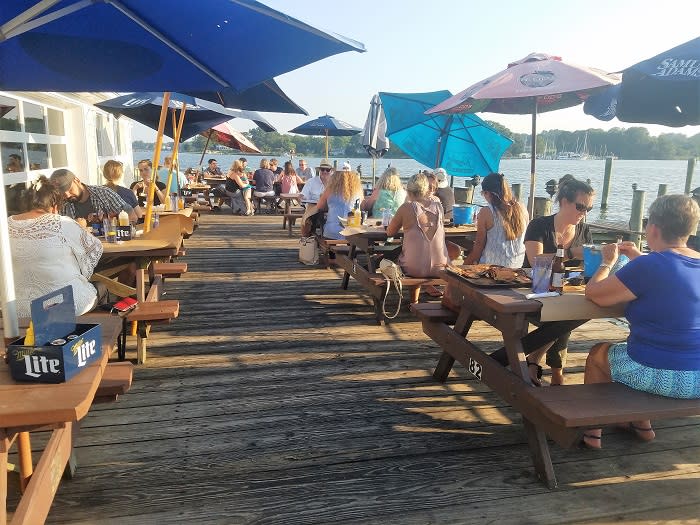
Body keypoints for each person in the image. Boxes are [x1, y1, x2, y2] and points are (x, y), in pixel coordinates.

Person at [581, 194, 700, 449]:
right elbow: (672, 276)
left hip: (661, 376)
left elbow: (595, 294)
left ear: (653, 228)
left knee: (599, 354)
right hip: (697, 378)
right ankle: (641, 425)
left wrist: (606, 263)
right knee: (635, 351)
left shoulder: (650, 266)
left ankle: (593, 433)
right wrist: (638, 257)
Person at [520, 175, 594, 385]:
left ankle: (537, 362)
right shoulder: (539, 225)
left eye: (588, 209)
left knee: (568, 315)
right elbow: (537, 263)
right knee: (565, 319)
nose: (584, 213)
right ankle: (552, 371)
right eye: (580, 207)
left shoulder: (584, 231)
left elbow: (587, 271)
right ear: (564, 202)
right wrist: (569, 253)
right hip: (534, 291)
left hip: (566, 293)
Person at [8, 176, 106, 317]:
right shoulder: (61, 222)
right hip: (63, 306)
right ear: (54, 206)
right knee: (100, 288)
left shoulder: (5, 225)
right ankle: (97, 335)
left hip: (16, 310)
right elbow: (94, 248)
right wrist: (81, 228)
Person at [386, 172, 460, 302]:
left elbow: (390, 233)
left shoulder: (406, 207)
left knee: (401, 258)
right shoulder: (438, 206)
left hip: (413, 268)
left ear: (408, 190)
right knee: (423, 252)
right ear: (426, 189)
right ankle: (419, 299)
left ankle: (414, 302)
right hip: (441, 267)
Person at [464, 172, 528, 268]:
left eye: (483, 193)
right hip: (516, 267)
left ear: (487, 193)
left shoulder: (487, 212)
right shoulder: (522, 208)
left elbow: (479, 245)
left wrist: (463, 267)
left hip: (491, 268)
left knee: (454, 275)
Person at [50, 168, 137, 222]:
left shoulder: (104, 193)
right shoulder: (60, 205)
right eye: (62, 193)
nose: (67, 195)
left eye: (70, 189)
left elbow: (132, 216)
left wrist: (109, 221)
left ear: (76, 180)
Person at [316, 169, 363, 240]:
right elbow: (361, 206)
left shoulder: (330, 190)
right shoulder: (358, 192)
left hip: (332, 232)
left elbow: (319, 207)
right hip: (353, 232)